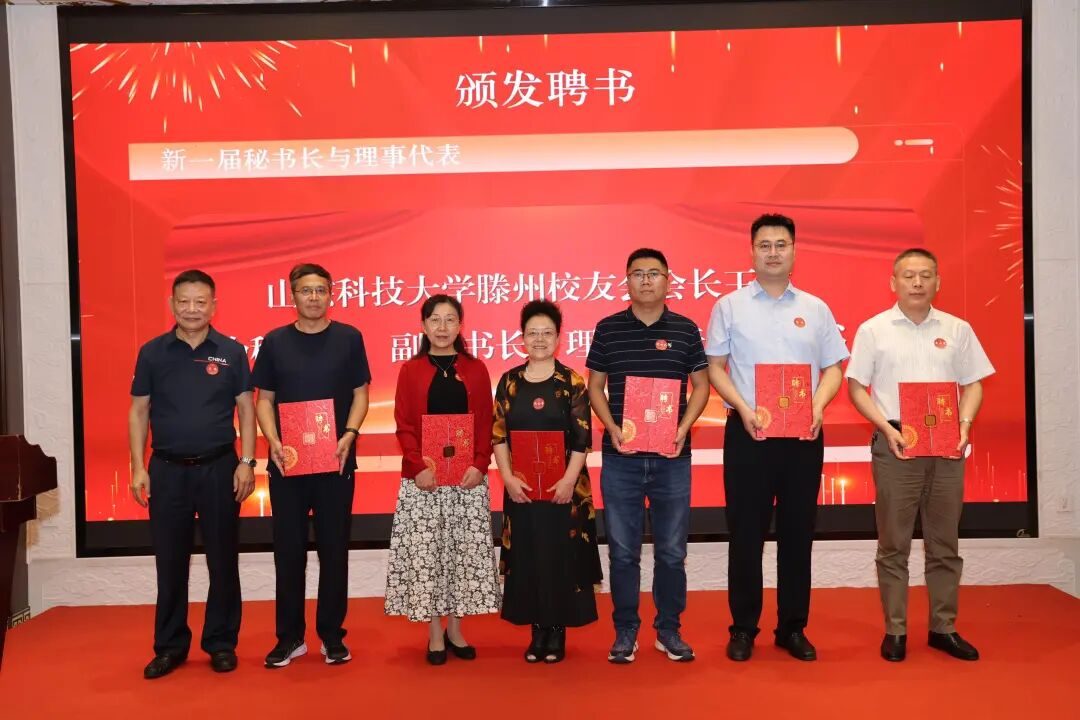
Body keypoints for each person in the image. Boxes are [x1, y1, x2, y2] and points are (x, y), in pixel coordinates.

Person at [705, 213, 848, 662]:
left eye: (781, 244)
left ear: (794, 251)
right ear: (751, 252)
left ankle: (792, 628)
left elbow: (834, 368)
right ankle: (743, 628)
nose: (773, 252)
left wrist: (817, 407)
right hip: (748, 433)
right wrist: (743, 409)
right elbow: (715, 368)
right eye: (764, 245)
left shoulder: (816, 308)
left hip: (803, 435)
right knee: (745, 533)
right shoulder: (729, 306)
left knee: (797, 533)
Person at [846, 248, 993, 662]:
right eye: (908, 275)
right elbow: (856, 387)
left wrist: (964, 425)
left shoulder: (957, 329)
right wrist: (885, 428)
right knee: (893, 543)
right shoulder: (874, 330)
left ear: (937, 282)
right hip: (896, 442)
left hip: (947, 444)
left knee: (944, 542)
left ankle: (943, 628)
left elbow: (974, 383)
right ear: (893, 282)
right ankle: (895, 630)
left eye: (925, 275)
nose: (917, 282)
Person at [129, 269, 256, 679]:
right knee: (170, 563)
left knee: (223, 561)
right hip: (166, 472)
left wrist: (247, 461)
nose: (192, 309)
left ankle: (221, 642)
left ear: (214, 306)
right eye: (183, 301)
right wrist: (137, 467)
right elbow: (138, 411)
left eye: (200, 302)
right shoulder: (152, 352)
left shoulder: (232, 352)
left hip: (220, 469)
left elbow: (247, 408)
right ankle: (170, 646)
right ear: (171, 304)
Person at [586, 248, 710, 664]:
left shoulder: (686, 329)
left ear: (667, 280)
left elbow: (702, 386)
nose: (645, 280)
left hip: (672, 458)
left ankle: (669, 630)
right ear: (626, 281)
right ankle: (626, 631)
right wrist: (611, 426)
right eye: (637, 273)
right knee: (623, 553)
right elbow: (595, 386)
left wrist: (683, 427)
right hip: (621, 457)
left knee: (672, 552)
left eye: (653, 273)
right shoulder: (608, 329)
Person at [252, 262, 371, 668]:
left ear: (331, 294)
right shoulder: (275, 342)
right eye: (306, 290)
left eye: (321, 290)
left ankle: (332, 636)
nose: (314, 297)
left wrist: (350, 433)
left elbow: (360, 393)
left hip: (336, 462)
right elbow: (264, 400)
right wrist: (273, 441)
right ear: (293, 296)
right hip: (287, 466)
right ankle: (289, 638)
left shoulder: (349, 338)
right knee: (288, 553)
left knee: (334, 551)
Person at [384, 294, 501, 664]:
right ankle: (435, 633)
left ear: (460, 325)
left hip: (467, 480)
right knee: (429, 557)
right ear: (423, 326)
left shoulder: (476, 369)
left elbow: (486, 422)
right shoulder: (410, 370)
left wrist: (480, 464)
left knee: (462, 556)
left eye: (450, 319)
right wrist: (417, 465)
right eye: (435, 319)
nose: (442, 327)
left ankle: (456, 630)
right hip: (424, 482)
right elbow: (403, 424)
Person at [493, 300, 602, 663]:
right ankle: (537, 630)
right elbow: (498, 435)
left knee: (560, 556)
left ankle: (557, 631)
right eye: (532, 333)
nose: (539, 339)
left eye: (547, 333)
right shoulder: (509, 381)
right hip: (522, 490)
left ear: (558, 337)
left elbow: (582, 438)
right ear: (522, 337)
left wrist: (569, 481)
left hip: (565, 491)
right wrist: (508, 478)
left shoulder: (571, 382)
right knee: (529, 556)